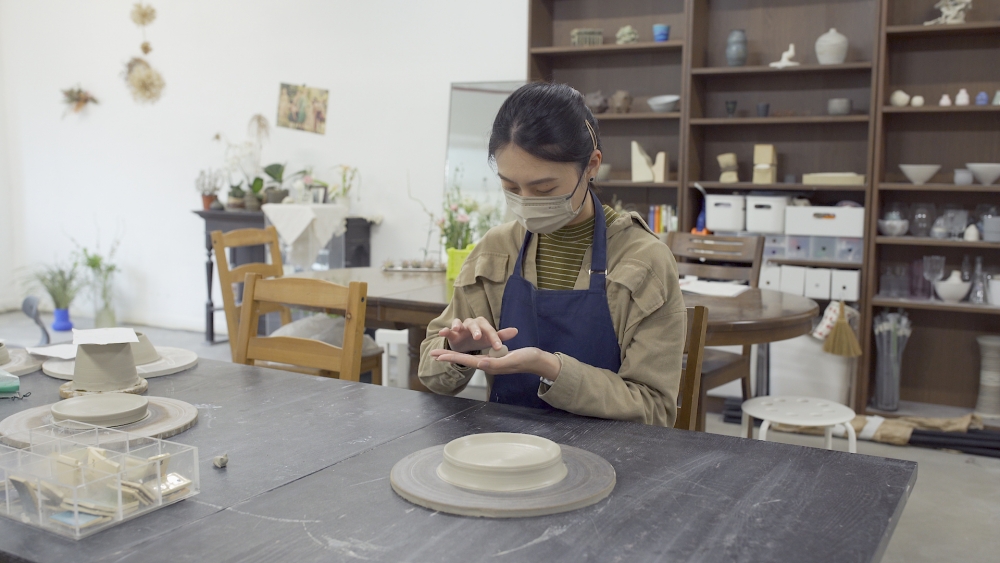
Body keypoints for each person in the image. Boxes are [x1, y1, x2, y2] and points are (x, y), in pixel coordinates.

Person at [418, 82, 686, 427]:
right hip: (508, 450)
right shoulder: (496, 251)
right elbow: (430, 374)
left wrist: (553, 370)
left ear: (591, 165)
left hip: (612, 459)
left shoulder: (642, 261)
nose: (526, 202)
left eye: (544, 189)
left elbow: (655, 410)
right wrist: (459, 350)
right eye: (511, 188)